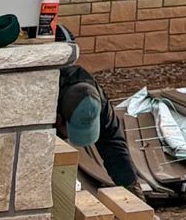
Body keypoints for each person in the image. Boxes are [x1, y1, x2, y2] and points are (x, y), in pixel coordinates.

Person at [55, 59, 155, 201]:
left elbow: (114, 148)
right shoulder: (42, 102)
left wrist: (136, 198)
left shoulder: (97, 103)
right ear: (58, 120)